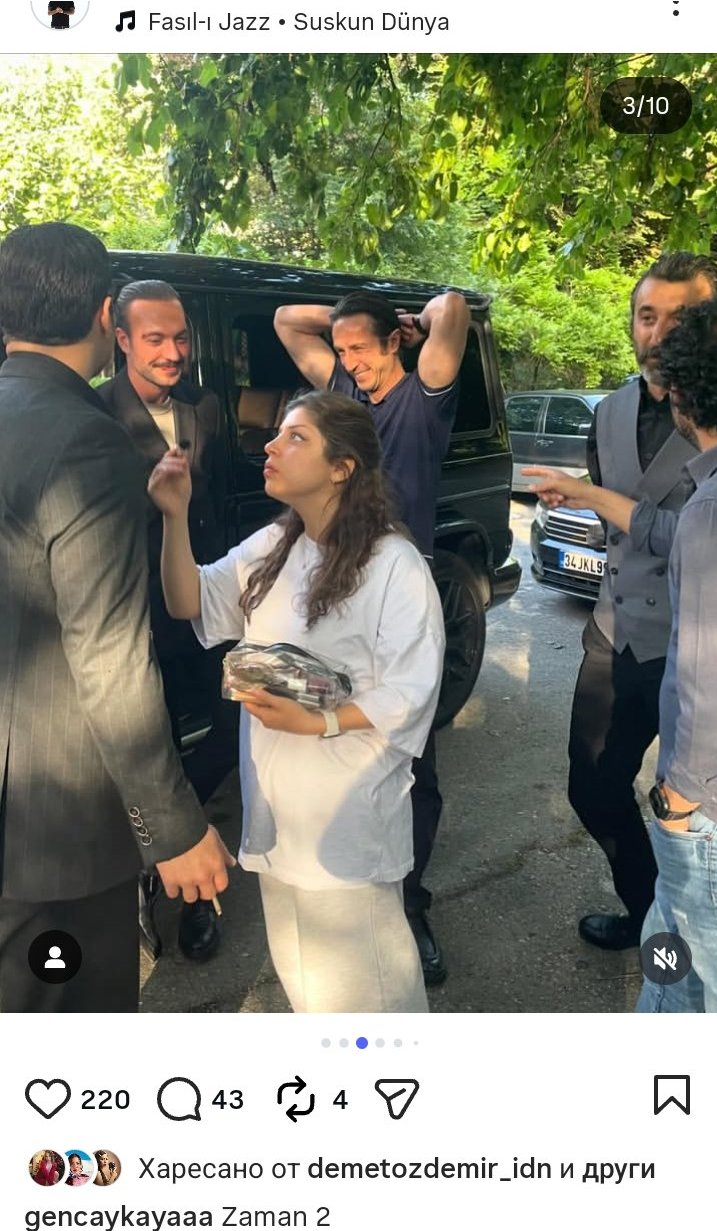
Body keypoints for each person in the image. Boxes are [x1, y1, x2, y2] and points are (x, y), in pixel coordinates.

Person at [0, 222, 235, 1013]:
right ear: (108, 317)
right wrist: (172, 826)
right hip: (56, 827)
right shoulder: (86, 438)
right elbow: (106, 660)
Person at [148, 390, 445, 1012]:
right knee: (309, 990)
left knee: (371, 1003)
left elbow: (412, 689)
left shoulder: (394, 564)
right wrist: (175, 515)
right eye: (277, 434)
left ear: (342, 467)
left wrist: (319, 721)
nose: (272, 446)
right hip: (277, 812)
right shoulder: (276, 544)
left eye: (295, 437)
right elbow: (188, 600)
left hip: (347, 823)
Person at [273, 288, 470, 984]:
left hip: (399, 600)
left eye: (362, 346)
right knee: (333, 739)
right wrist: (347, 317)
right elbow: (285, 319)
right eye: (343, 348)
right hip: (331, 597)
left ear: (395, 342)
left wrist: (414, 320)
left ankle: (411, 905)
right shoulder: (340, 391)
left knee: (410, 756)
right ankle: (340, 883)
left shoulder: (424, 395)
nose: (350, 359)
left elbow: (454, 308)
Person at [522, 251, 717, 951]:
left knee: (689, 813)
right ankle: (647, 911)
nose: (659, 333)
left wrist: (590, 494)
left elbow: (681, 533)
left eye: (680, 318)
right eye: (646, 315)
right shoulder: (606, 411)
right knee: (593, 788)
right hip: (615, 631)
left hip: (691, 646)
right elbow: (619, 531)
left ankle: (683, 936)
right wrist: (586, 501)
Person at [99, 280, 237, 963]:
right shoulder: (94, 416)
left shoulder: (203, 408)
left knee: (229, 730)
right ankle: (183, 886)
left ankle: (173, 848)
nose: (172, 352)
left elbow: (221, 506)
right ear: (121, 338)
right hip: (131, 621)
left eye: (180, 338)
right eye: (155, 338)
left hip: (204, 608)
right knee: (159, 749)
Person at [632, 300, 717, 1011]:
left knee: (686, 981)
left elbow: (705, 676)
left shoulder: (709, 510)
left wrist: (678, 800)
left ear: (683, 392)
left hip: (704, 814)